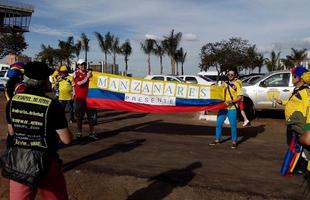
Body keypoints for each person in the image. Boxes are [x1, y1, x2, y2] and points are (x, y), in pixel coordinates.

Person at [3, 61, 73, 200]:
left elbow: (11, 133)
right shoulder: (52, 105)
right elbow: (66, 139)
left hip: (19, 162)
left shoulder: (12, 102)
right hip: (46, 162)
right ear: (43, 81)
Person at [274, 66, 310, 174]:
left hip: (301, 125)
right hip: (292, 124)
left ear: (301, 78)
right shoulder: (296, 90)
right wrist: (282, 102)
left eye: (294, 76)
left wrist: (308, 128)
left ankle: (302, 168)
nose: (292, 78)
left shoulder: (306, 93)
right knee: (293, 145)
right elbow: (293, 103)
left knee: (302, 148)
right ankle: (297, 166)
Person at [209, 69, 243, 149]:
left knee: (233, 125)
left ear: (235, 75)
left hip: (232, 108)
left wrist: (231, 101)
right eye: (229, 74)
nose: (230, 76)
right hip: (223, 107)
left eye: (232, 74)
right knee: (218, 124)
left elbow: (240, 97)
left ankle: (234, 141)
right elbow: (218, 91)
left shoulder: (237, 84)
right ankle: (217, 139)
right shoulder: (225, 84)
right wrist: (213, 88)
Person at [73, 59, 98, 139]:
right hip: (79, 99)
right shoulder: (75, 73)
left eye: (84, 64)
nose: (83, 66)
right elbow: (79, 83)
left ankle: (92, 132)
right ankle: (79, 133)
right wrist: (87, 77)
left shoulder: (90, 74)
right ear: (78, 66)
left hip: (90, 99)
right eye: (81, 64)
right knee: (79, 117)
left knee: (91, 117)